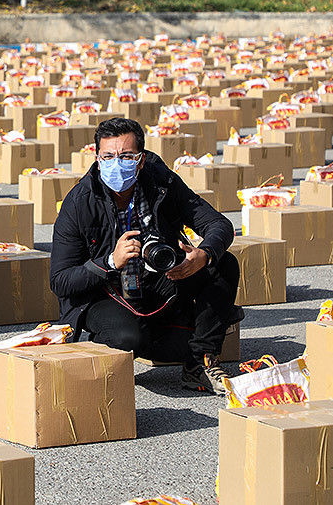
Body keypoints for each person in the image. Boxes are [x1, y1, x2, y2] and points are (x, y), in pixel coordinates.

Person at [50, 117, 242, 394]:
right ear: (98, 159)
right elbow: (60, 281)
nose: (117, 163)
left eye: (127, 156)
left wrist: (204, 253)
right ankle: (141, 342)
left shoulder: (163, 183)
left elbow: (219, 224)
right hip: (104, 292)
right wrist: (110, 262)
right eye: (108, 156)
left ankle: (199, 362)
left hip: (159, 278)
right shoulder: (80, 202)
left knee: (223, 264)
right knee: (128, 338)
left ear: (140, 160)